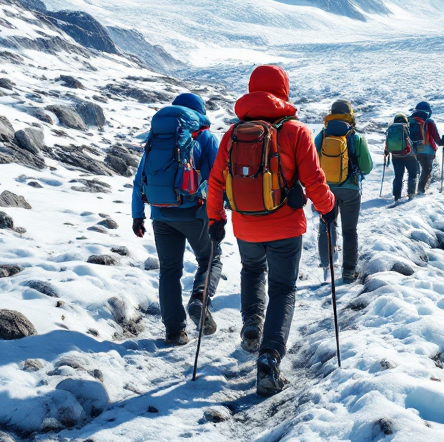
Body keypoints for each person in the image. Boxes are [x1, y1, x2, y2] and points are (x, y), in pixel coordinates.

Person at [206, 65, 335, 397]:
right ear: (283, 90)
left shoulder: (233, 133)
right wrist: (327, 206)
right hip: (286, 226)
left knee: (251, 269)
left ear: (252, 90)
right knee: (283, 290)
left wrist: (215, 218)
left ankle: (252, 324)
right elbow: (314, 180)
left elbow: (217, 181)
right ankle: (270, 358)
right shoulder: (296, 131)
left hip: (245, 224)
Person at [131, 92, 222, 347]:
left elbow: (140, 179)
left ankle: (175, 332)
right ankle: (200, 300)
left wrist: (138, 215)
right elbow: (217, 178)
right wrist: (219, 212)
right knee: (210, 258)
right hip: (195, 213)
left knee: (169, 271)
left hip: (161, 214)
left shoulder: (157, 137)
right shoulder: (204, 136)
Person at [314, 100, 373, 284]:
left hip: (326, 189)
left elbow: (312, 162)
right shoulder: (355, 137)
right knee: (349, 230)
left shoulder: (322, 136)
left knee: (326, 227)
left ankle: (326, 265)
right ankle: (348, 272)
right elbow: (367, 166)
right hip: (350, 190)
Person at [409, 101, 444, 194]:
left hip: (411, 150)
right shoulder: (429, 122)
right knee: (426, 170)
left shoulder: (409, 120)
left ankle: (411, 191)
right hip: (427, 152)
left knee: (413, 172)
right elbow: (438, 141)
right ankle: (421, 190)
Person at [386, 113, 420, 202]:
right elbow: (414, 140)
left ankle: (396, 196)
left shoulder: (391, 128)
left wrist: (386, 152)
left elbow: (388, 142)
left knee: (398, 176)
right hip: (409, 156)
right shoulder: (407, 127)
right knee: (412, 174)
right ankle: (411, 193)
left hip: (396, 156)